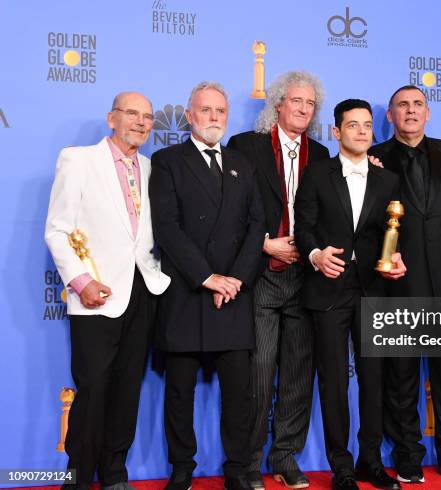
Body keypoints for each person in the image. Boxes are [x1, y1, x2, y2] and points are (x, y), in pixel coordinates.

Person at [45, 92, 170, 490]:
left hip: (143, 290)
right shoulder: (78, 160)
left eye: (148, 116)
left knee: (128, 386)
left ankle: (116, 473)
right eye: (131, 113)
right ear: (111, 118)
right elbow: (57, 229)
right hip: (94, 294)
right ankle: (78, 478)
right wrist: (81, 282)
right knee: (94, 387)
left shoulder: (154, 169)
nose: (141, 122)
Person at [369, 85, 441, 485]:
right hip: (398, 283)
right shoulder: (375, 159)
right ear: (390, 115)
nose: (410, 111)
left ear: (428, 112)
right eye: (402, 105)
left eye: (418, 104)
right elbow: (369, 224)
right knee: (400, 375)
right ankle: (407, 454)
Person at [149, 81, 265, 490]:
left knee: (239, 394)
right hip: (187, 293)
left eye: (220, 111)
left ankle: (237, 469)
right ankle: (182, 468)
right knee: (179, 392)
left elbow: (256, 226)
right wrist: (207, 277)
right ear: (188, 115)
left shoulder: (241, 163)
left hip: (233, 294)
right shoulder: (166, 161)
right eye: (205, 110)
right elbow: (168, 228)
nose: (214, 118)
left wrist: (234, 279)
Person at [294, 99, 406, 490]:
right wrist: (314, 254)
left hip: (373, 291)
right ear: (337, 132)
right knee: (333, 381)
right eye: (352, 125)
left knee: (374, 378)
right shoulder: (317, 174)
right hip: (327, 289)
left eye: (367, 125)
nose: (361, 131)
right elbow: (303, 227)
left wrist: (397, 259)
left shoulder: (388, 180)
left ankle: (370, 462)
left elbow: (390, 234)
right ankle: (340, 465)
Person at [227, 71, 329, 490]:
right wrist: (265, 244)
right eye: (296, 101)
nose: (304, 109)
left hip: (306, 279)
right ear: (277, 105)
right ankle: (248, 462)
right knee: (258, 372)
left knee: (299, 373)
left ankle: (285, 456)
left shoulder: (323, 155)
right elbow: (230, 210)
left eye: (310, 104)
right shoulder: (245, 147)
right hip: (262, 275)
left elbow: (332, 211)